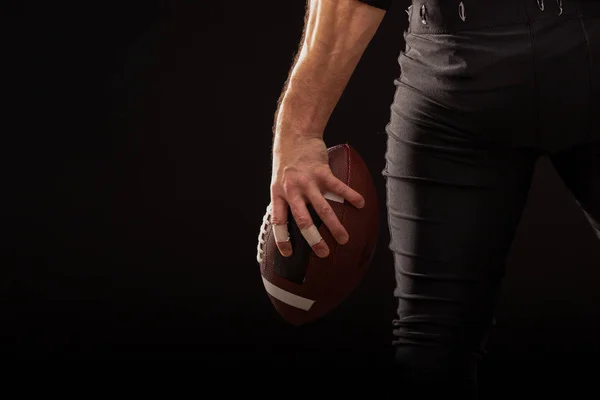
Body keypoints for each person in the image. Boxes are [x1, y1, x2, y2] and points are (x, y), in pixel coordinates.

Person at [267, 0, 600, 396]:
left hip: (458, 65)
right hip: (467, 72)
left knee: (434, 344)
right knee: (433, 349)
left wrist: (299, 132)